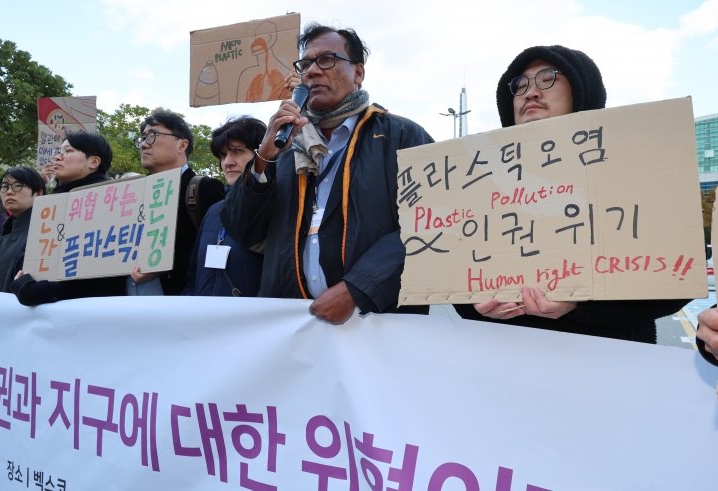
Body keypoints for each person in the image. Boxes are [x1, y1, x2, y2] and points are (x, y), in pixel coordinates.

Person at [454, 45, 688, 343]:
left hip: (608, 359)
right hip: (507, 357)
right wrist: (476, 307)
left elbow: (675, 282)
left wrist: (579, 304)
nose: (531, 92)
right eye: (520, 85)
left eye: (547, 78)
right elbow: (455, 278)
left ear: (582, 89)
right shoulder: (482, 183)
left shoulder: (635, 171)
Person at [222, 22, 434, 324]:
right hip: (293, 324)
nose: (312, 71)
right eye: (306, 64)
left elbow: (428, 225)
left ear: (358, 72)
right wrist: (263, 159)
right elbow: (244, 232)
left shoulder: (401, 135)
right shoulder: (285, 145)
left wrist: (357, 289)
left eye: (326, 60)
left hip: (379, 321)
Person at [10, 132, 127, 305]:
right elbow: (30, 252)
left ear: (94, 162)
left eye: (68, 151)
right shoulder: (52, 204)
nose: (58, 156)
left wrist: (33, 291)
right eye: (59, 151)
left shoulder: (109, 203)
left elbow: (89, 276)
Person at [129, 110, 225, 295]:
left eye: (152, 136)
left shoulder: (203, 188)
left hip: (182, 303)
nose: (143, 144)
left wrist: (163, 263)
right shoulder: (136, 195)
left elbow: (218, 251)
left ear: (182, 145)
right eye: (142, 138)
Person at [182, 117, 266, 297]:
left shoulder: (274, 207)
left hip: (249, 322)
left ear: (262, 155)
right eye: (223, 155)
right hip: (204, 321)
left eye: (238, 151)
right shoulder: (213, 211)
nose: (227, 162)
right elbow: (193, 276)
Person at [0, 167, 45, 292]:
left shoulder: (44, 233)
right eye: (4, 187)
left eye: (17, 186)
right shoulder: (6, 231)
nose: (9, 192)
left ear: (38, 194)